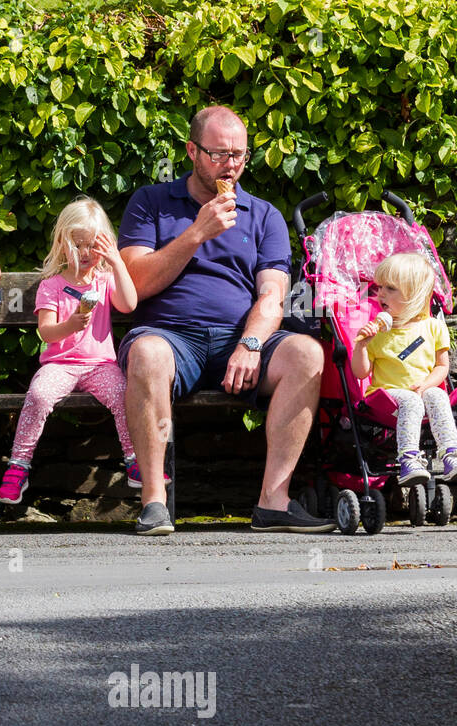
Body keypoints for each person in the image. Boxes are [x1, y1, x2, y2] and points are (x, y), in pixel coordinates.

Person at [116, 105, 334, 535]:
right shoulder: (151, 203)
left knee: (307, 353)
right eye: (218, 154)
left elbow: (272, 293)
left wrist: (251, 344)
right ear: (192, 151)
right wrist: (197, 232)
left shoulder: (264, 215)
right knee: (145, 353)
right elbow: (135, 284)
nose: (230, 165)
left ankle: (273, 501)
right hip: (171, 338)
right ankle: (154, 502)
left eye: (239, 155)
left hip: (240, 339)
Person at [0, 197, 149, 504]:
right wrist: (71, 326)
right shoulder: (51, 285)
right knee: (38, 396)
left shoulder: (105, 281)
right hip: (60, 363)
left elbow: (129, 304)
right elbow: (46, 331)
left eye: (93, 245)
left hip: (100, 364)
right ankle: (18, 466)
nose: (85, 253)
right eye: (77, 245)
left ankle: (134, 461)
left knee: (123, 393)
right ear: (62, 244)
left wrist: (117, 262)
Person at [351, 252, 457, 485]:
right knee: (411, 400)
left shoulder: (434, 327)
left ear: (414, 296)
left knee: (438, 393)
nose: (380, 294)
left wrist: (426, 384)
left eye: (390, 288)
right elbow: (361, 373)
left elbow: (441, 367)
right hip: (387, 397)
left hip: (421, 391)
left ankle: (452, 455)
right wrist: (362, 347)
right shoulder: (378, 333)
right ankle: (408, 458)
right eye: (379, 287)